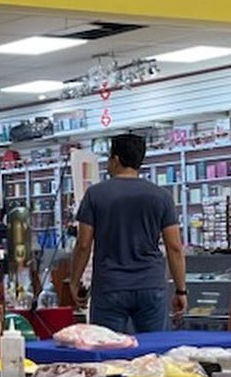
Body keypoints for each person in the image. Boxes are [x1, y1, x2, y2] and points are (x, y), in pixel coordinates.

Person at [68, 133, 187, 334]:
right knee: (154, 353)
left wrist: (74, 281)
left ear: (115, 159)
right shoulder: (161, 196)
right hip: (151, 284)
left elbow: (83, 245)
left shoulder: (96, 194)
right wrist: (180, 290)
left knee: (108, 353)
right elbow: (174, 248)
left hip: (110, 286)